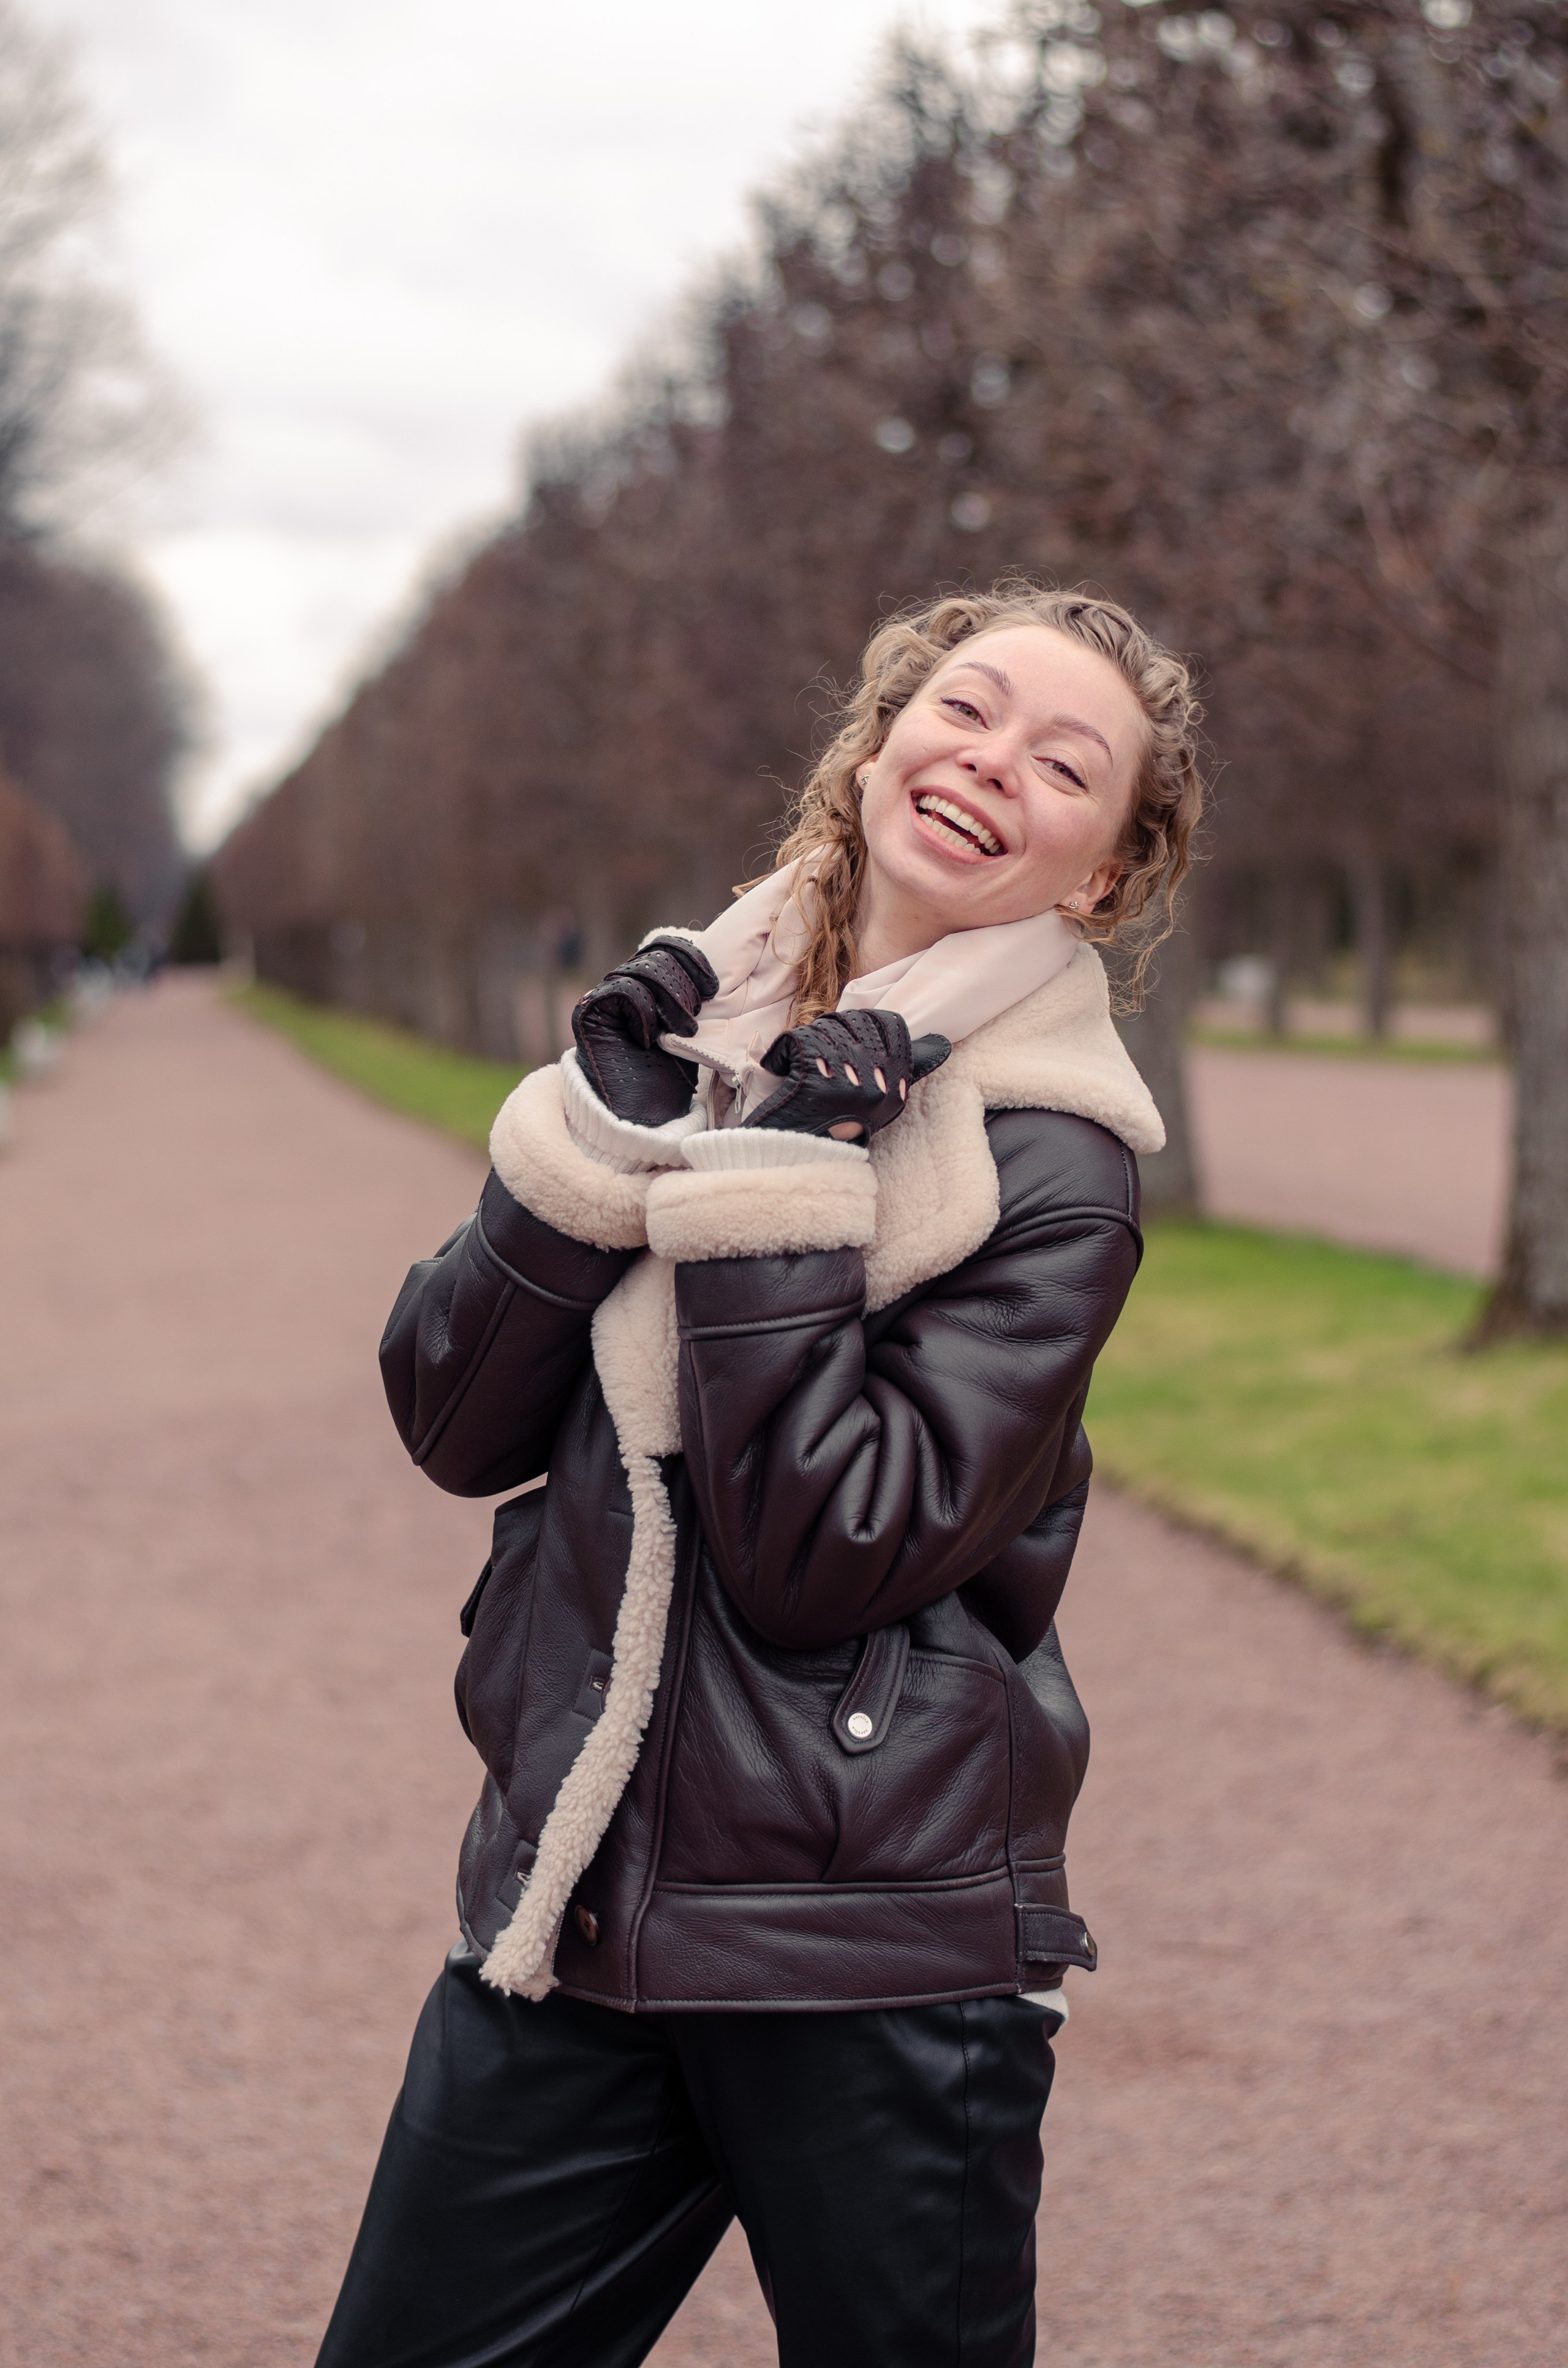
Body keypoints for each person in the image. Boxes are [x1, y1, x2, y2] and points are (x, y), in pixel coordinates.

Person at [315, 583, 1204, 2368]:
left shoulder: (1059, 1164)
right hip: (577, 1905)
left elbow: (823, 1555)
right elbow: (452, 1420)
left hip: (872, 1955)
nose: (993, 762)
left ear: (1102, 876)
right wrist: (608, 1131)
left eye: (1065, 765)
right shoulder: (699, 1036)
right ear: (879, 744)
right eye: (966, 709)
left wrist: (777, 1201)